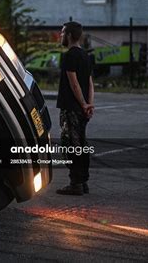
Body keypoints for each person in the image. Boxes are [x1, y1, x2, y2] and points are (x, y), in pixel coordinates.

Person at [56, 21, 94, 196]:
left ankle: (76, 183)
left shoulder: (69, 56)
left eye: (63, 32)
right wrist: (88, 104)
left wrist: (83, 104)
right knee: (81, 144)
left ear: (70, 35)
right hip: (82, 108)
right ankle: (83, 181)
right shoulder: (86, 56)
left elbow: (74, 83)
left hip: (72, 107)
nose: (61, 35)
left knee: (71, 144)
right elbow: (90, 84)